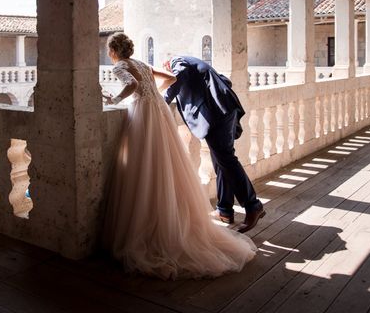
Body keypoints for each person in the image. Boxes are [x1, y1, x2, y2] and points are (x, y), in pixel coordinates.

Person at [102, 33, 256, 280]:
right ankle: (186, 216)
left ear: (113, 50)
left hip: (143, 114)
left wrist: (116, 99)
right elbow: (170, 78)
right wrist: (152, 93)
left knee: (145, 164)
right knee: (165, 162)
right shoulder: (141, 63)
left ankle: (155, 224)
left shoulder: (121, 65)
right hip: (158, 112)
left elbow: (131, 85)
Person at [163, 56, 264, 233]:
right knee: (221, 163)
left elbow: (178, 76)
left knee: (226, 160)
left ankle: (253, 205)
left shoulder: (177, 62)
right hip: (221, 111)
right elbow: (223, 80)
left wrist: (162, 100)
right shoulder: (192, 63)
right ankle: (225, 210)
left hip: (217, 114)